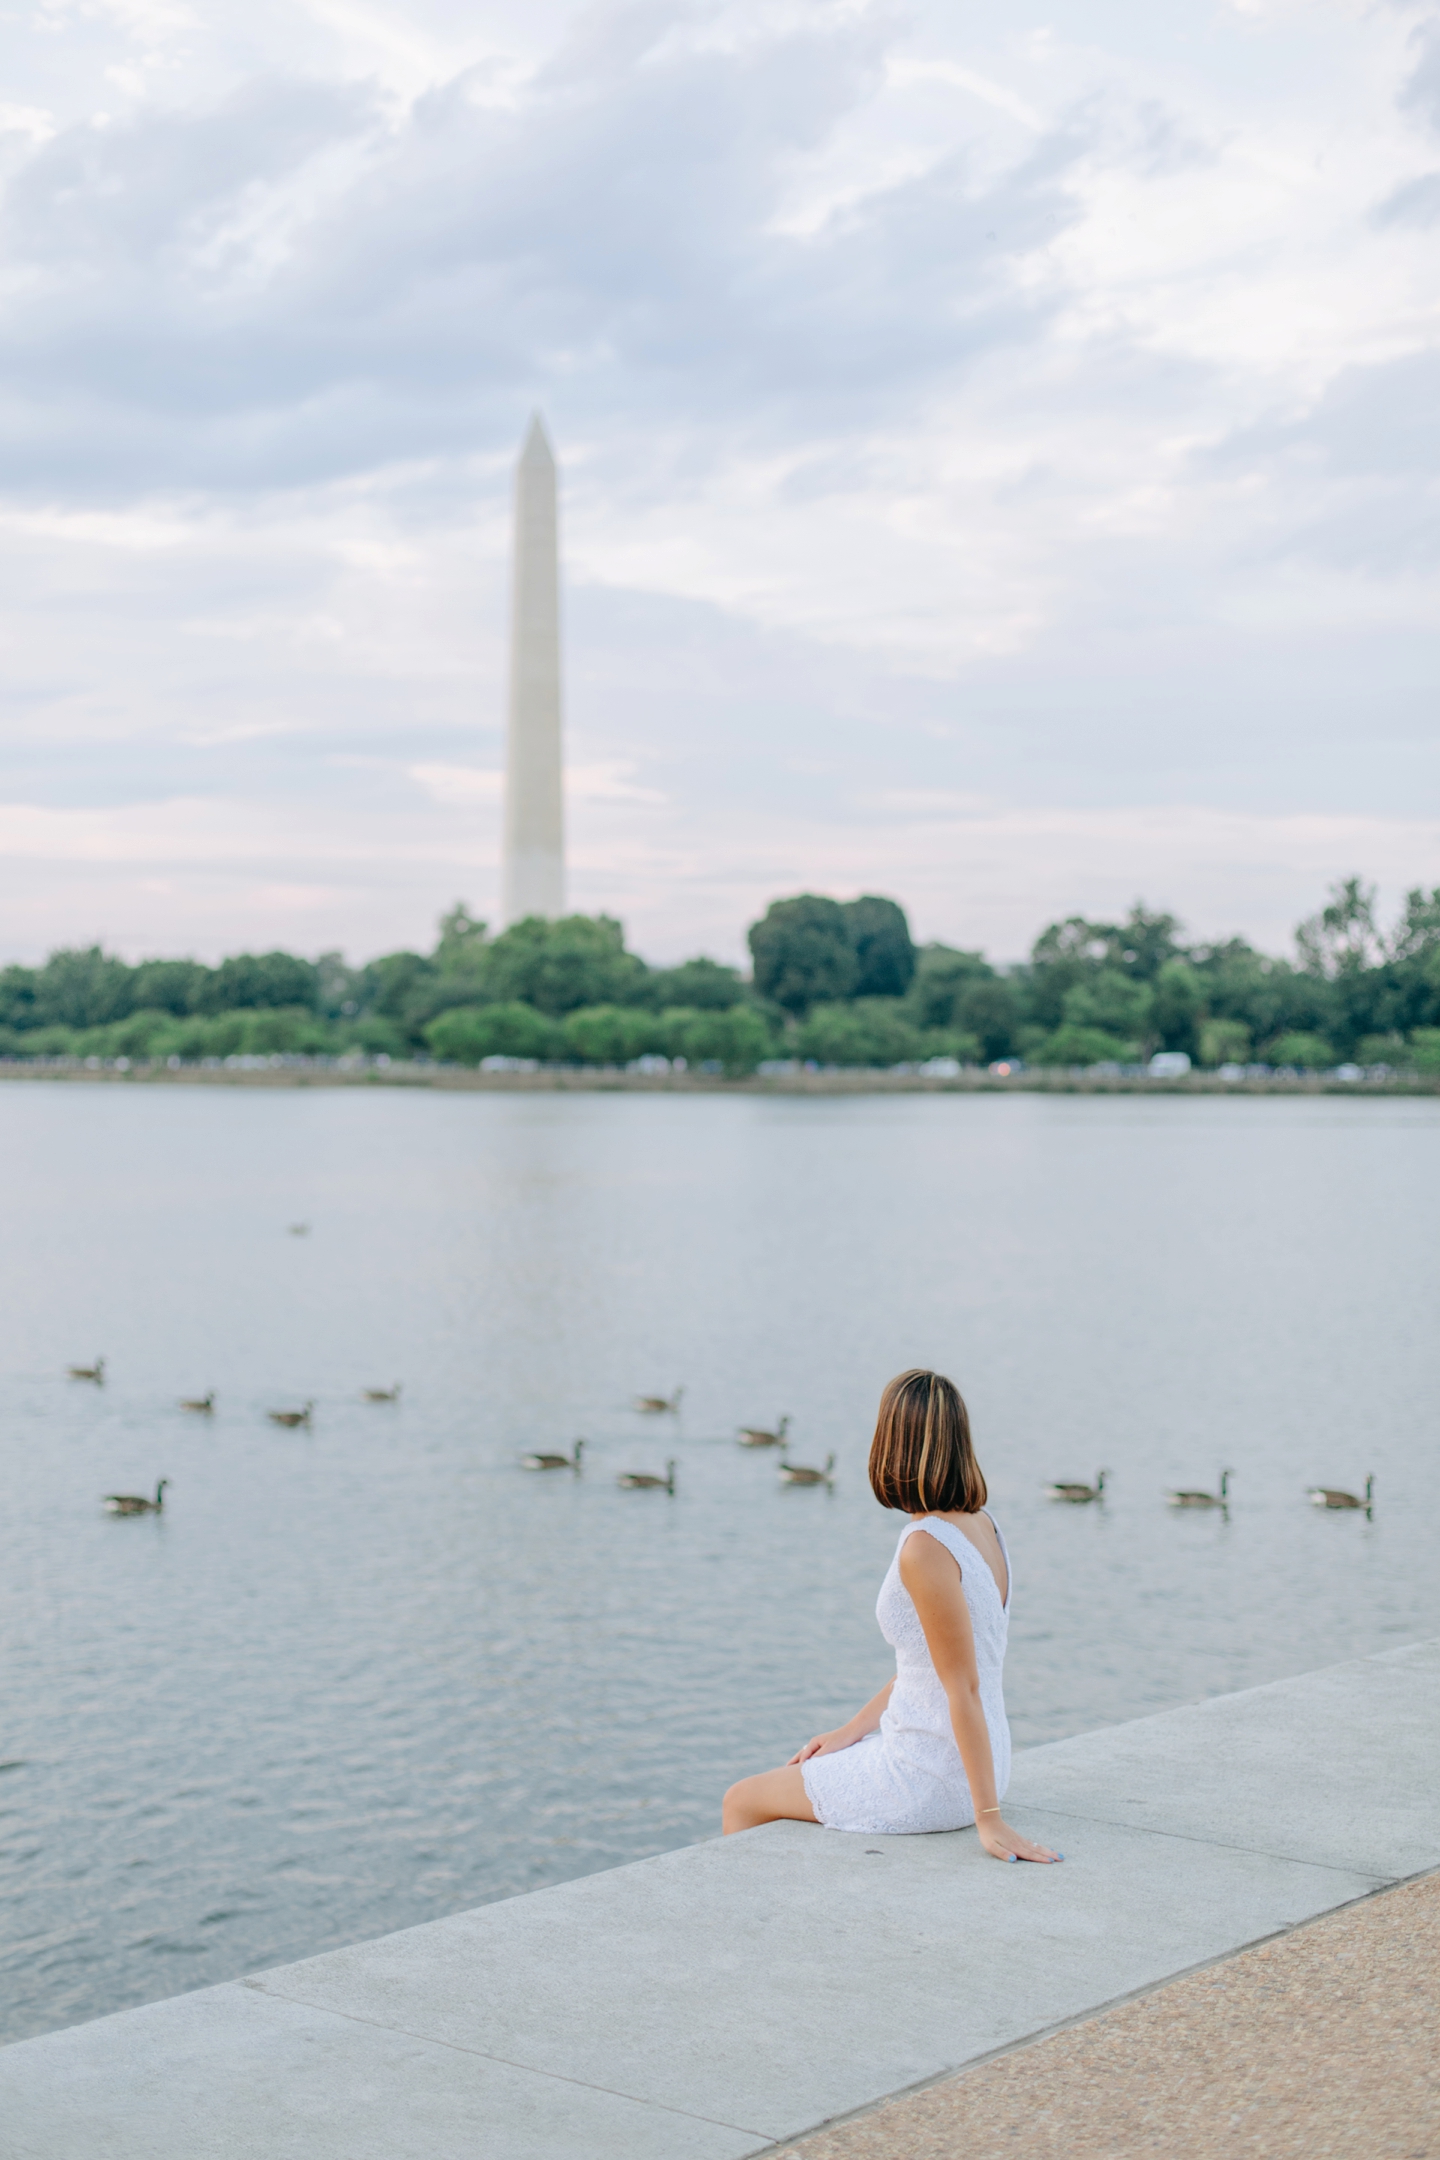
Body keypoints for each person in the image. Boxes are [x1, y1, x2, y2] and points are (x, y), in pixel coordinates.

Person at [722, 1368, 1061, 1864]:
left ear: (892, 1445)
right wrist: (851, 1731)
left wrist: (989, 1819)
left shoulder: (924, 1547)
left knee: (742, 1799)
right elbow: (928, 1663)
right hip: (977, 1763)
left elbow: (961, 1686)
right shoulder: (983, 1525)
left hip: (930, 1775)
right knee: (802, 1774)